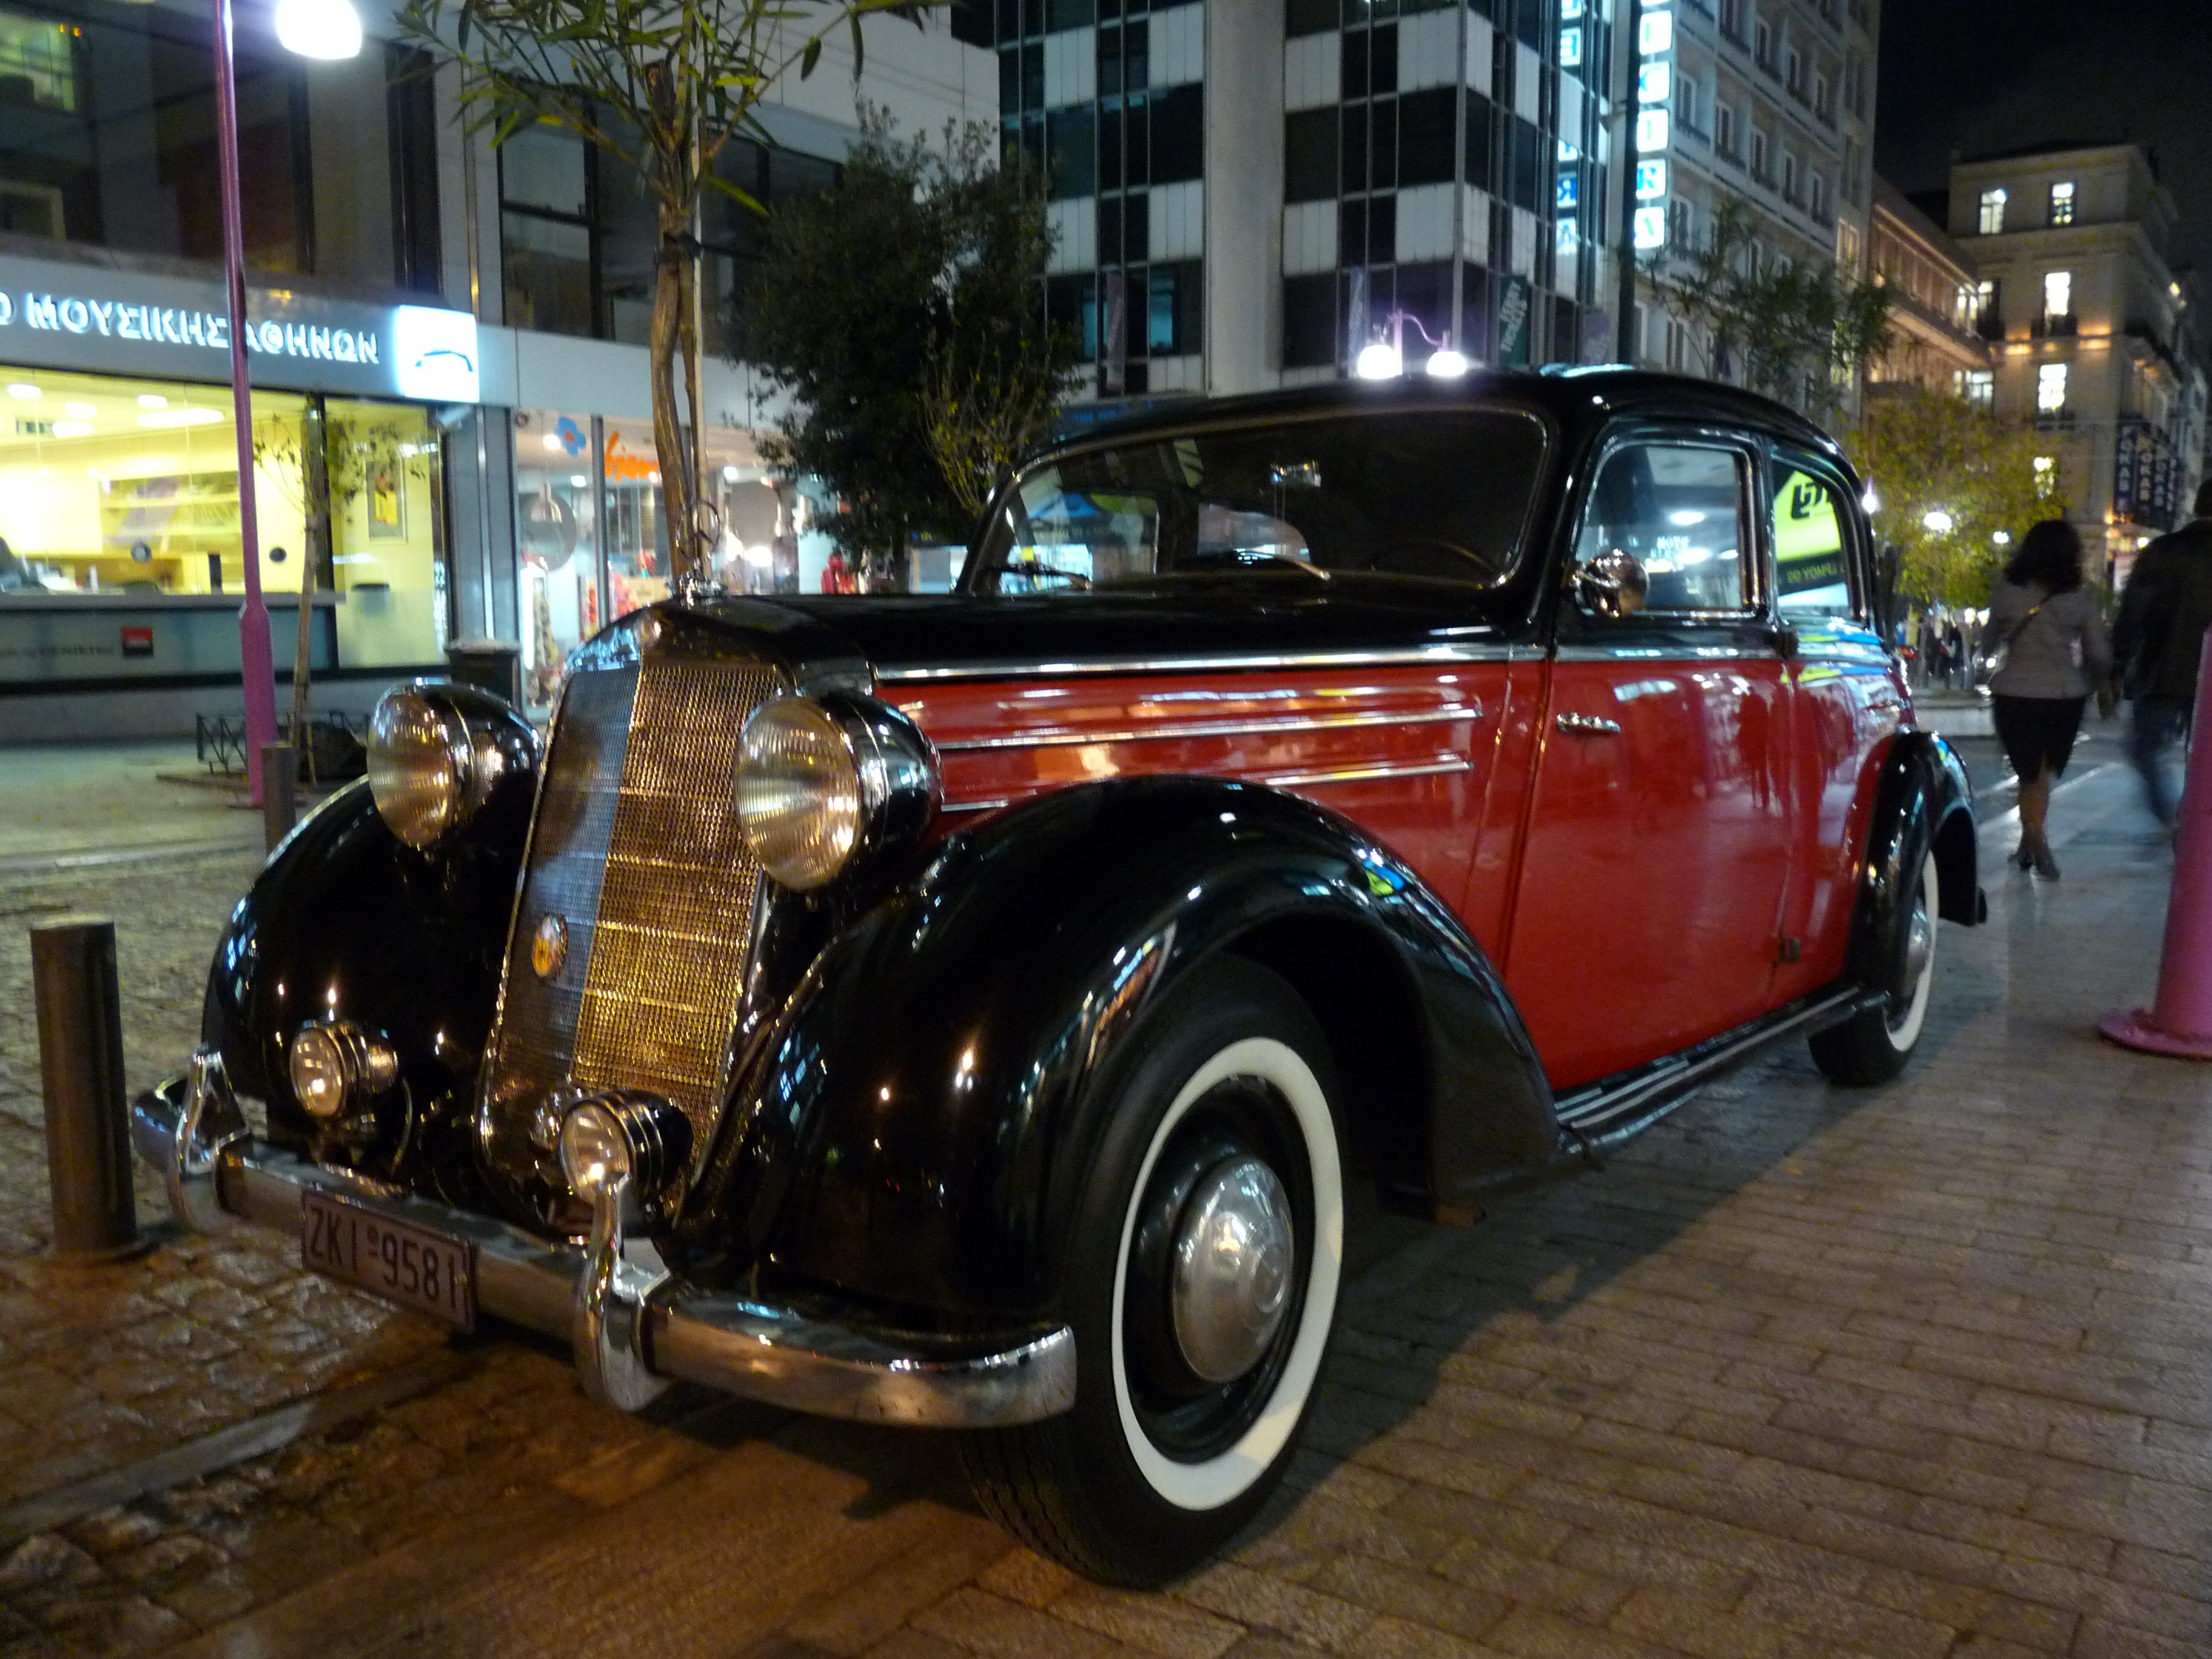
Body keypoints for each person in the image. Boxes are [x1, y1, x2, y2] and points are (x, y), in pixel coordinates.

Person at [1987, 518, 2111, 880]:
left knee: (2028, 774)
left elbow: (1989, 642)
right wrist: (2093, 682)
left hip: (2013, 693)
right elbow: (2099, 654)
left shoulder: (2007, 590)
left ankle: (2031, 842)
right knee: (2039, 775)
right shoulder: (2080, 597)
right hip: (2063, 696)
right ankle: (2035, 841)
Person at [2111, 478, 2212, 828]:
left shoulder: (2162, 550)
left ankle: (2169, 814)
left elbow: (2133, 611)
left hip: (2163, 669)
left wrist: (2118, 660)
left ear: (2197, 507)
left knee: (2145, 748)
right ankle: (2198, 816)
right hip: (2208, 676)